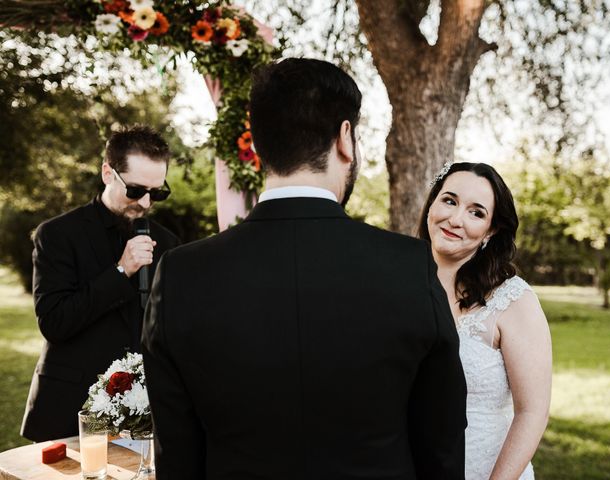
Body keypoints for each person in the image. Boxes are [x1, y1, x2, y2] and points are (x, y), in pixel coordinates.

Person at [142, 58, 467, 480]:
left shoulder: (182, 273)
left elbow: (177, 450)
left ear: (259, 145)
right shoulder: (408, 265)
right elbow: (441, 438)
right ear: (345, 138)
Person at [21, 125, 180, 442]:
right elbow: (55, 322)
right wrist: (121, 271)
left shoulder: (168, 241)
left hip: (142, 416)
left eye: (157, 193)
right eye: (136, 190)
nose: (146, 203)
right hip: (70, 409)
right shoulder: (57, 235)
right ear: (108, 172)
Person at [417, 162, 552, 480]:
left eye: (476, 212)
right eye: (449, 200)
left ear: (491, 230)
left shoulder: (513, 300)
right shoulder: (402, 285)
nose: (455, 218)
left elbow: (532, 412)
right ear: (432, 204)